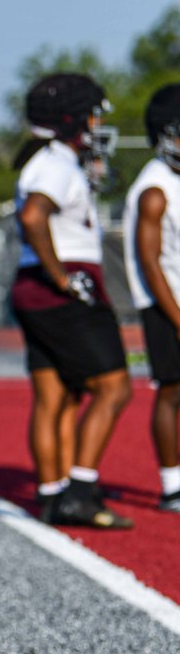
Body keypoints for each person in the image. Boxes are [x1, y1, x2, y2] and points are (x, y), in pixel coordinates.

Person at [10, 73, 132, 529]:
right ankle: (79, 492)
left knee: (54, 396)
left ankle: (52, 492)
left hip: (33, 285)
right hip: (61, 285)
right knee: (114, 388)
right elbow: (33, 215)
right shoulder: (55, 164)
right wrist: (62, 276)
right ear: (72, 119)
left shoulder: (49, 161)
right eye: (92, 113)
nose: (97, 123)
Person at [123, 83, 180, 513]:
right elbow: (151, 262)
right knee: (172, 392)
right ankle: (172, 485)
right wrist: (177, 318)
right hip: (166, 302)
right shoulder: (155, 189)